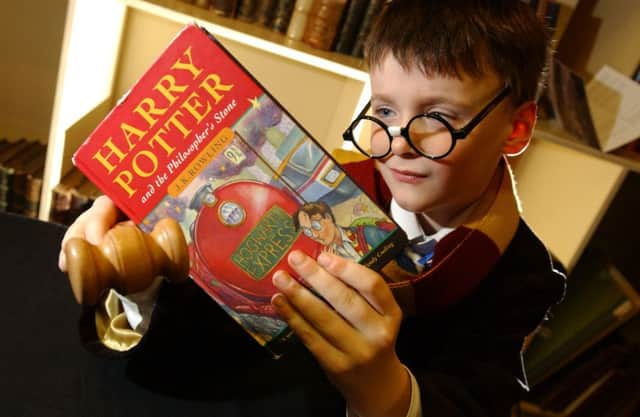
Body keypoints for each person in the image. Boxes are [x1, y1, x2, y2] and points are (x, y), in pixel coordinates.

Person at [58, 1, 566, 416]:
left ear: (516, 127)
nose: (397, 143)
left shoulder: (523, 279)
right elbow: (206, 332)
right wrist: (137, 287)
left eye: (437, 117)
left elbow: (477, 401)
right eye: (385, 111)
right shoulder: (328, 188)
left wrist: (385, 393)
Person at [293, 200, 395, 260]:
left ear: (328, 217)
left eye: (315, 226)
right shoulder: (330, 259)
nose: (314, 235)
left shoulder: (368, 233)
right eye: (307, 232)